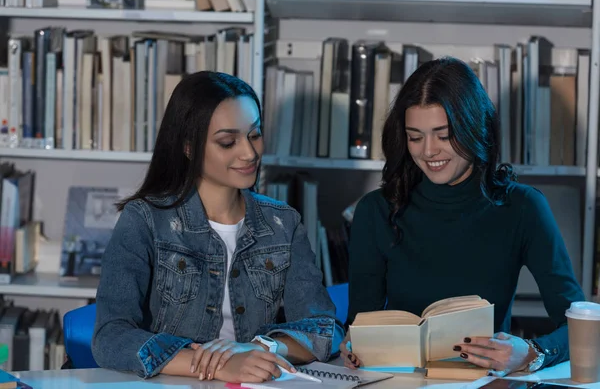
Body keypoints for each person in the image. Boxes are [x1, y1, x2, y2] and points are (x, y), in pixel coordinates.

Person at [92, 71, 344, 383]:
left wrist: (261, 349)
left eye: (254, 135)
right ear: (188, 147)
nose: (249, 153)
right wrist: (218, 364)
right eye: (228, 142)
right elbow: (110, 337)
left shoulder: (284, 223)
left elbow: (324, 328)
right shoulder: (145, 219)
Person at [339, 57, 585, 376]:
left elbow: (581, 327)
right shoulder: (375, 210)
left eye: (444, 135)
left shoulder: (523, 208)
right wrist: (352, 346)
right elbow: (359, 325)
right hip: (399, 382)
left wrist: (532, 353)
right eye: (415, 137)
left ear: (473, 127)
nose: (429, 151)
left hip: (484, 382)